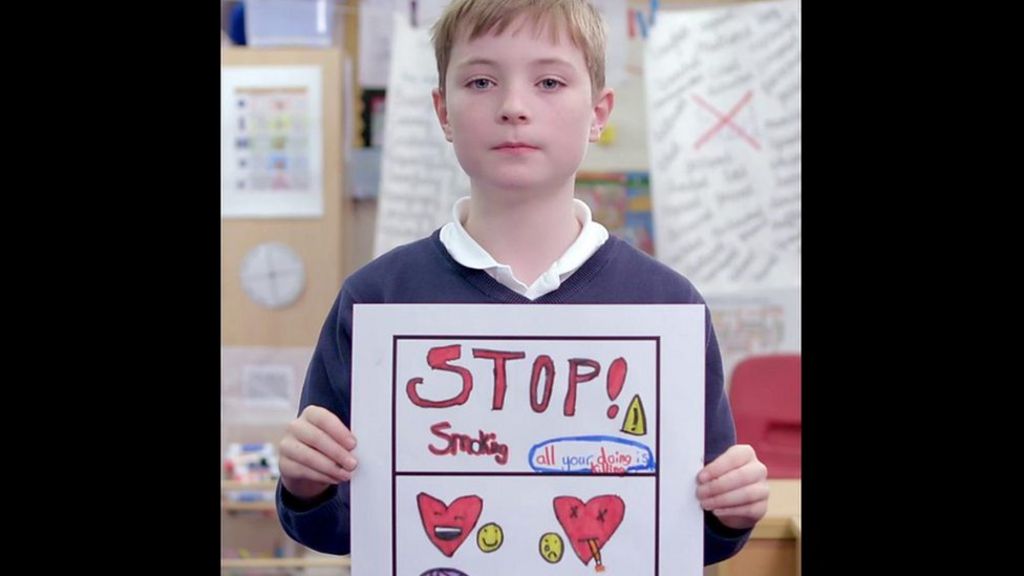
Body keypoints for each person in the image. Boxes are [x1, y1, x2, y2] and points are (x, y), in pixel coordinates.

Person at [276, 0, 768, 566]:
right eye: (481, 80)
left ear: (598, 112)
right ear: (442, 111)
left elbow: (683, 538)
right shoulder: (375, 299)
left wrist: (729, 511)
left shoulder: (668, 305)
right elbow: (344, 528)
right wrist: (307, 485)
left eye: (550, 81)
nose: (513, 106)